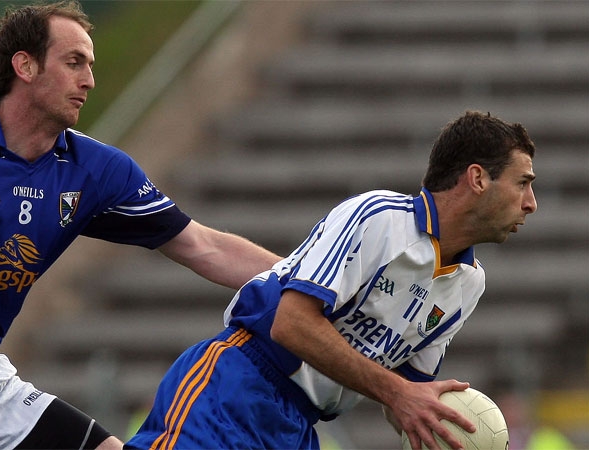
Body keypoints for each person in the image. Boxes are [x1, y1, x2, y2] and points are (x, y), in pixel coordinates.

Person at [0, 2, 281, 449]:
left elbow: (204, 246)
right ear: (25, 65)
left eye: (89, 65)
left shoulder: (96, 169)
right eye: (74, 63)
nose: (89, 80)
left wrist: (307, 279)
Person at [125, 110, 538, 450]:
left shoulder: (468, 284)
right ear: (478, 178)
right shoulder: (379, 218)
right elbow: (292, 323)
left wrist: (442, 429)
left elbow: (406, 395)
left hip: (299, 429)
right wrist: (398, 394)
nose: (530, 203)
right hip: (235, 389)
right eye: (522, 183)